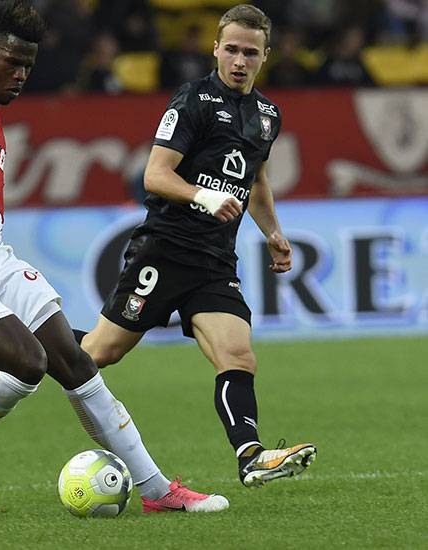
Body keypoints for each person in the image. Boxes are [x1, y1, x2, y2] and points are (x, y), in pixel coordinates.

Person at [0, 0, 228, 513]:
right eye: (13, 62)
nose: (23, 74)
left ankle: (159, 492)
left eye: (29, 64)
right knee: (29, 362)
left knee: (76, 361)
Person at [76, 4, 317, 487]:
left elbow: (257, 180)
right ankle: (19, 360)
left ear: (265, 56)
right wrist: (203, 195)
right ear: (215, 49)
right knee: (99, 353)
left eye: (250, 52)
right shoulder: (194, 100)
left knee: (238, 355)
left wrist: (272, 231)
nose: (239, 60)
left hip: (213, 260)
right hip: (164, 250)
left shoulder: (268, 115)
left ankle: (251, 457)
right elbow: (155, 175)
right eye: (231, 49)